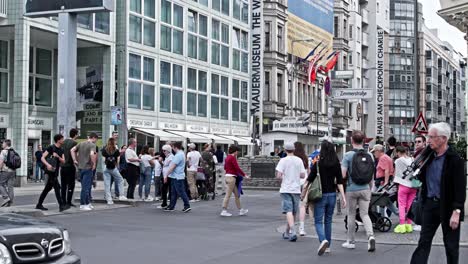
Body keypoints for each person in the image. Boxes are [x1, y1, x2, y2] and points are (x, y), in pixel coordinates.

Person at [411, 123, 466, 264]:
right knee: (423, 242)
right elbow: (420, 177)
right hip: (430, 205)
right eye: (428, 136)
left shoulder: (455, 160)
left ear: (443, 138)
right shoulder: (428, 157)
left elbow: (460, 188)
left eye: (431, 137)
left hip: (448, 207)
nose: (428, 140)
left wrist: (457, 211)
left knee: (451, 245)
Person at [307, 140, 346, 255]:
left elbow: (309, 180)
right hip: (332, 195)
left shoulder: (318, 164)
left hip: (320, 195)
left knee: (318, 221)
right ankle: (328, 245)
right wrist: (343, 197)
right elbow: (339, 182)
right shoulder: (336, 163)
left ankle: (323, 240)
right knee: (328, 220)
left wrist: (304, 192)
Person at [341, 130, 376, 252]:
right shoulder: (370, 155)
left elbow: (343, 174)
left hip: (351, 189)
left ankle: (350, 241)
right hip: (366, 188)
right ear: (364, 141)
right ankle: (370, 236)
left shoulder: (348, 155)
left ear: (352, 141)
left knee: (351, 214)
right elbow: (372, 175)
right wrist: (370, 188)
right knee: (364, 214)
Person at [276, 142, 306, 242]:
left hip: (286, 188)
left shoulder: (283, 160)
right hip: (296, 188)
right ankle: (286, 231)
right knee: (293, 211)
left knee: (288, 210)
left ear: (285, 150)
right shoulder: (299, 160)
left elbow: (279, 176)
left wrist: (284, 177)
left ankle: (292, 231)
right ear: (294, 150)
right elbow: (302, 175)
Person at [36, 134, 69, 212]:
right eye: (62, 139)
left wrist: (58, 156)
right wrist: (48, 165)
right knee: (57, 188)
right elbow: (42, 157)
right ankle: (61, 206)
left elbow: (64, 161)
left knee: (47, 188)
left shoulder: (61, 149)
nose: (63, 140)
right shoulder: (51, 147)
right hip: (50, 171)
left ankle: (39, 204)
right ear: (58, 140)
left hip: (56, 170)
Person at [71, 132, 98, 211]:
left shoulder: (81, 143)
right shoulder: (92, 145)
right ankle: (83, 204)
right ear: (93, 138)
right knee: (86, 187)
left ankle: (87, 203)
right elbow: (92, 154)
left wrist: (75, 160)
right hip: (87, 167)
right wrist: (94, 164)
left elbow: (72, 150)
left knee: (85, 186)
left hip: (80, 167)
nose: (96, 141)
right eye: (96, 139)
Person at [392, 146, 417, 234]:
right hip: (413, 185)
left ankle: (402, 225)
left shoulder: (398, 161)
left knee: (402, 205)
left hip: (403, 185)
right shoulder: (412, 159)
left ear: (398, 152)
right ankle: (409, 225)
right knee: (410, 205)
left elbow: (395, 172)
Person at [221, 145, 249, 217]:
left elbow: (225, 167)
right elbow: (237, 168)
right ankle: (224, 210)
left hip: (227, 176)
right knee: (228, 194)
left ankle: (241, 210)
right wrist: (244, 175)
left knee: (237, 194)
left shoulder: (227, 157)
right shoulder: (233, 158)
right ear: (235, 151)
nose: (238, 152)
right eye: (237, 151)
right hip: (232, 178)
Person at [164, 142, 191, 212]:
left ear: (175, 147)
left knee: (180, 191)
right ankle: (171, 206)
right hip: (177, 176)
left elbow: (172, 166)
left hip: (177, 176)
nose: (172, 149)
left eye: (172, 148)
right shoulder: (182, 154)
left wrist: (166, 175)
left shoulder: (178, 155)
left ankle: (187, 205)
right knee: (174, 192)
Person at [101, 137, 127, 205]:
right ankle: (121, 195)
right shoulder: (116, 150)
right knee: (120, 179)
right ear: (114, 142)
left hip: (106, 168)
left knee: (107, 184)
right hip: (113, 168)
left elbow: (103, 160)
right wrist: (116, 166)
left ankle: (109, 200)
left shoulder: (104, 150)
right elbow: (118, 160)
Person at [293, 142, 311, 236]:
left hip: (294, 184)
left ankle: (292, 229)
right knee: (302, 206)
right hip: (304, 184)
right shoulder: (305, 158)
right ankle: (302, 228)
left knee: (293, 207)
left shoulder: (293, 159)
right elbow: (308, 171)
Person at [61, 128, 78, 207]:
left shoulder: (63, 142)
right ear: (75, 135)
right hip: (70, 166)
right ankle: (68, 201)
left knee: (63, 184)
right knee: (71, 184)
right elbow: (75, 154)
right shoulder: (74, 143)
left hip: (63, 166)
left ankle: (63, 201)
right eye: (77, 134)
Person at [0, 139, 16, 207]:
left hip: (5, 171)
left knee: (0, 184)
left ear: (6, 144)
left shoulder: (3, 151)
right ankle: (10, 202)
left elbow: (1, 162)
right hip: (13, 171)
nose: (2, 144)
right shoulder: (13, 151)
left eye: (3, 143)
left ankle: (5, 197)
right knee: (10, 187)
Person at [158, 144, 173, 209]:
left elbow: (167, 165)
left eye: (164, 151)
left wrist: (161, 162)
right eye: (163, 151)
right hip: (167, 175)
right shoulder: (168, 157)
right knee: (165, 189)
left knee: (166, 189)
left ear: (168, 150)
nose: (163, 152)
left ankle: (166, 203)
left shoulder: (170, 157)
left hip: (168, 175)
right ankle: (165, 203)